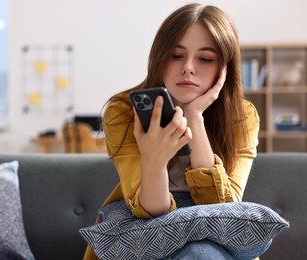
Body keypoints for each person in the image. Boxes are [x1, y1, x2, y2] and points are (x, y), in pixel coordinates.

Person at [84, 3, 260, 260]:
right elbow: (150, 212)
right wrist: (154, 160)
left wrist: (195, 119)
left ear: (224, 68)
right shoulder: (123, 111)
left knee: (202, 253)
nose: (188, 67)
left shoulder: (242, 117)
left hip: (215, 242)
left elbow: (224, 212)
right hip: (144, 232)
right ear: (159, 58)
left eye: (205, 58)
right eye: (176, 55)